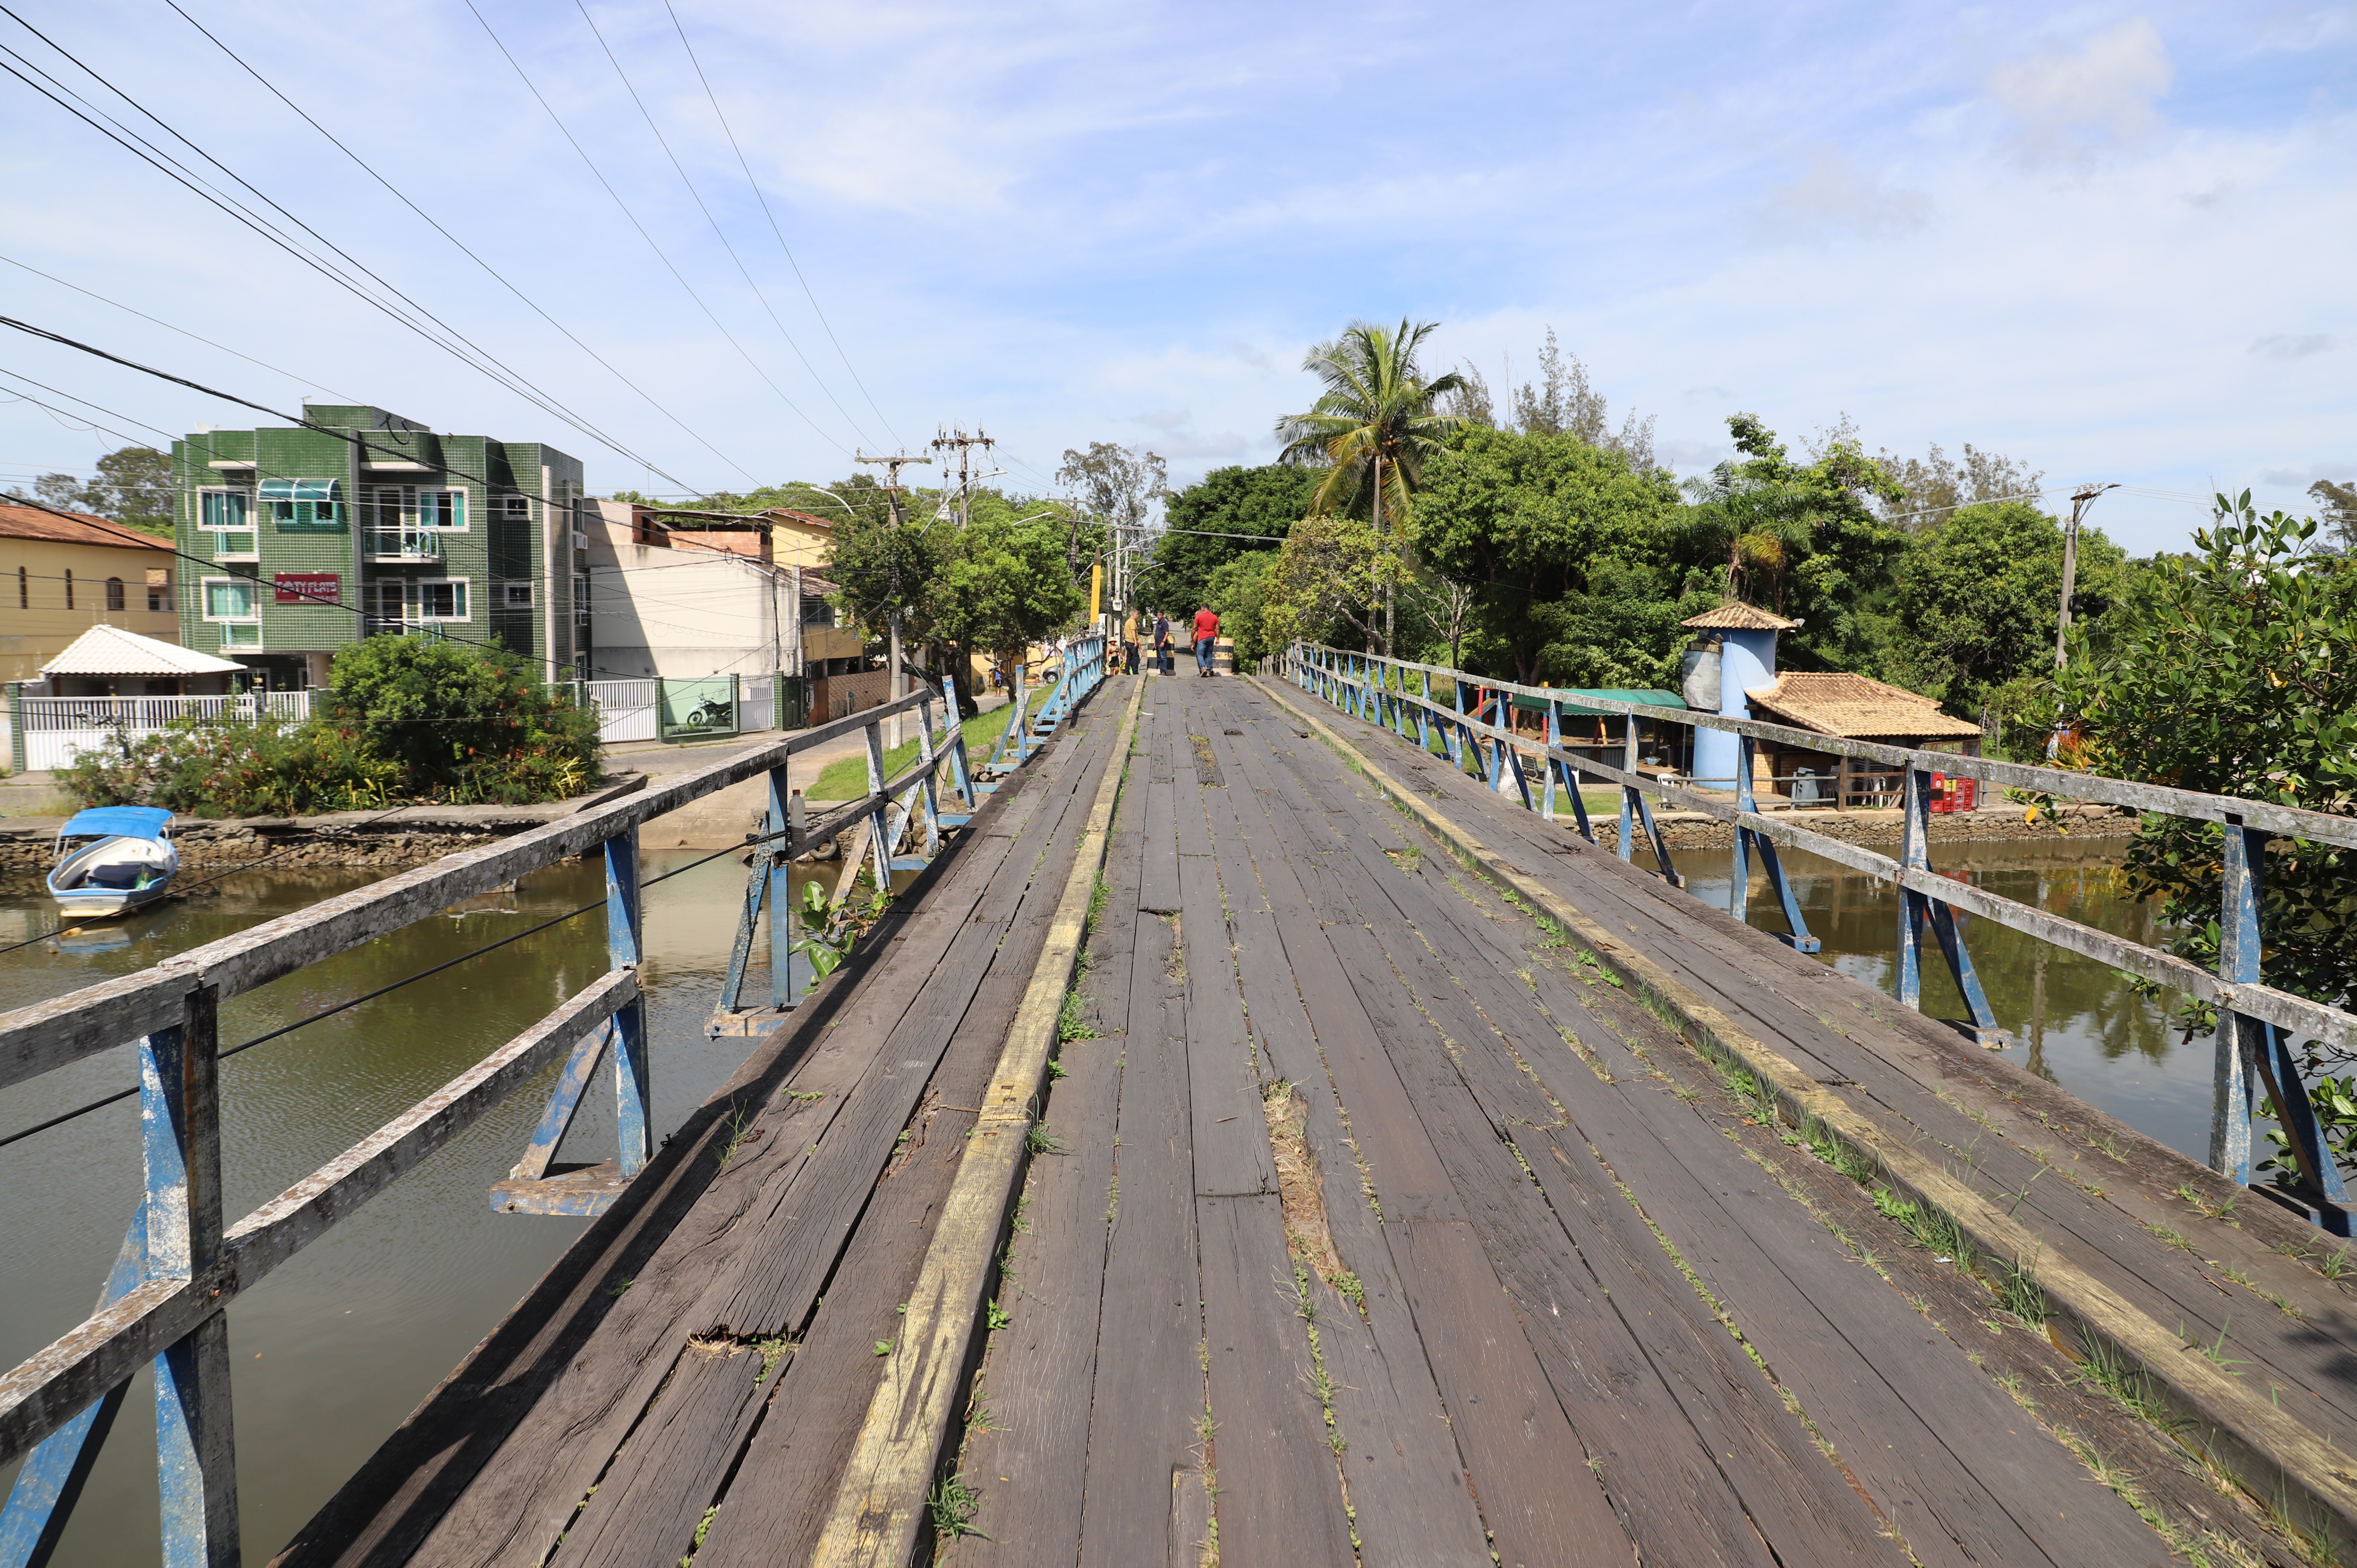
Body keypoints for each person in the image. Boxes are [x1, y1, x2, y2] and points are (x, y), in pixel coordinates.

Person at [1193, 605, 1220, 677]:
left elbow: (1194, 628)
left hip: (1202, 638)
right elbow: (1217, 629)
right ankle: (1209, 670)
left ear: (1203, 608)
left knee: (1200, 654)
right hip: (1211, 637)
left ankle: (1203, 668)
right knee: (1209, 655)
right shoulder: (1215, 617)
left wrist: (1191, 638)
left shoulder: (1199, 617)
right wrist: (1218, 639)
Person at [1153, 611, 1173, 676]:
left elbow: (1167, 633)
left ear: (1163, 615)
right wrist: (1155, 643)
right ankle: (1161, 671)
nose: (1158, 616)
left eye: (1160, 615)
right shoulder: (1158, 623)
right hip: (1157, 643)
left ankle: (1164, 671)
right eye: (1158, 615)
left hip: (1162, 643)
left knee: (1163, 657)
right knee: (1160, 658)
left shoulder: (1164, 623)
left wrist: (1163, 642)